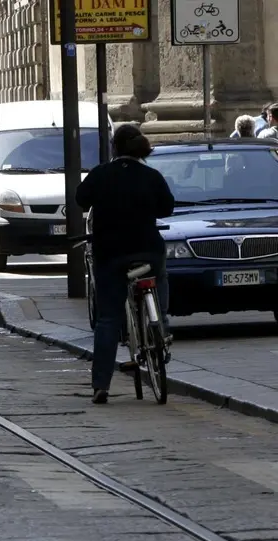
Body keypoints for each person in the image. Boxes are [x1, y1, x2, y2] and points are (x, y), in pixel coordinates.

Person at [76, 124, 175, 405]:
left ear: (114, 148)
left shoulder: (100, 175)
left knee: (108, 319)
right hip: (148, 249)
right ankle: (162, 324)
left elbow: (80, 198)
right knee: (160, 276)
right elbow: (167, 207)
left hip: (110, 254)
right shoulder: (151, 175)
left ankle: (101, 386)